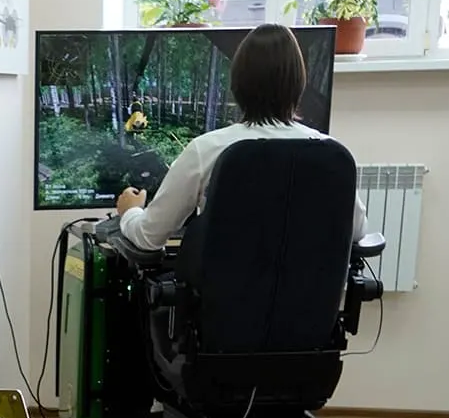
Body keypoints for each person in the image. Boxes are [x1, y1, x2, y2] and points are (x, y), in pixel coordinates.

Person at [114, 24, 368, 252]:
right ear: (299, 84)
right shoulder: (330, 155)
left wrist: (130, 211)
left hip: (221, 291)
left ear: (237, 85)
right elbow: (358, 231)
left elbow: (149, 237)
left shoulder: (207, 149)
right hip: (311, 292)